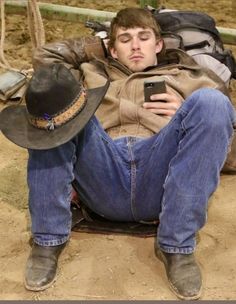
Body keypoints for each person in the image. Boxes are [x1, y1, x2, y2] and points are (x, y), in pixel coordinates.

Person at [0, 7, 235, 300]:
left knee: (212, 103)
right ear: (111, 49)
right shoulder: (92, 72)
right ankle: (48, 240)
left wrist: (184, 111)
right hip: (102, 167)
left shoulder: (192, 77)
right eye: (125, 39)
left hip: (159, 173)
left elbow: (228, 150)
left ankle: (176, 246)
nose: (136, 45)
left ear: (159, 45)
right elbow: (46, 60)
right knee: (57, 98)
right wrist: (98, 47)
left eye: (144, 37)